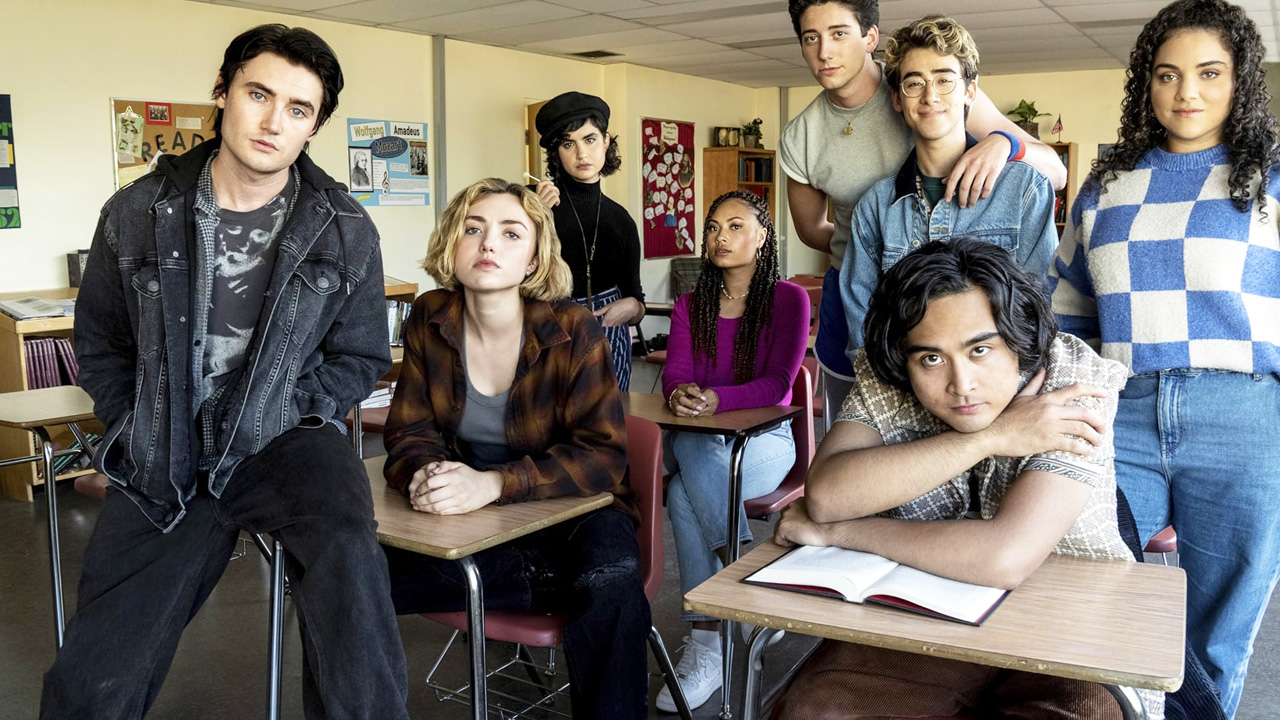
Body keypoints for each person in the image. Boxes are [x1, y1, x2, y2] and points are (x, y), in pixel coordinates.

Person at [45, 24, 409, 720]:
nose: (274, 121)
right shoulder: (137, 213)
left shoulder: (344, 228)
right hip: (165, 449)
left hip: (285, 442)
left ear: (315, 126)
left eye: (299, 109)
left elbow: (361, 356)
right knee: (94, 679)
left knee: (350, 568)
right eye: (259, 94)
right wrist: (133, 419)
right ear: (222, 92)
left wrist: (296, 405)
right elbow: (100, 340)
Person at [770, 238, 1163, 720]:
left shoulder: (1074, 377)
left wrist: (839, 534)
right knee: (818, 711)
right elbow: (829, 494)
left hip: (1068, 624)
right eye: (931, 359)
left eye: (980, 350)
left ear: (1019, 338)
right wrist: (988, 438)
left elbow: (1005, 557)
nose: (961, 384)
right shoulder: (891, 369)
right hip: (925, 610)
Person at [1049, 1, 1280, 714]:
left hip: (1242, 417)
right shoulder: (1107, 183)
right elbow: (1068, 310)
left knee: (1218, 631)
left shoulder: (1271, 179)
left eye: (1210, 74)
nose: (1187, 93)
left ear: (1241, 80)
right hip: (1121, 410)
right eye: (1168, 74)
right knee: (1091, 596)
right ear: (1145, 85)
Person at [380, 178, 649, 720]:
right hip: (473, 521)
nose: (488, 245)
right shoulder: (428, 317)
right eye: (473, 229)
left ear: (533, 258)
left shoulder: (573, 327)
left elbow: (603, 456)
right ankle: (536, 576)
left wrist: (495, 484)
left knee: (610, 585)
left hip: (577, 511)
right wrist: (428, 477)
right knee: (350, 576)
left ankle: (539, 576)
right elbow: (409, 433)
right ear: (451, 244)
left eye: (510, 232)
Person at [781, 0, 1067, 426]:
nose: (825, 51)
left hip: (994, 381)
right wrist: (872, 244)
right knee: (847, 454)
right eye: (811, 38)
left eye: (839, 32)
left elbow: (1054, 174)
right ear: (900, 98)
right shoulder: (812, 144)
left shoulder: (1016, 182)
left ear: (869, 38)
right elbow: (811, 232)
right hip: (873, 306)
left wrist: (1006, 141)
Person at [655, 191, 809, 712]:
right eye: (714, 228)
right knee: (694, 456)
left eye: (735, 226)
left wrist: (719, 398)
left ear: (762, 236)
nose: (721, 237)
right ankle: (744, 581)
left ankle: (708, 642)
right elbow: (675, 373)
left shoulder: (788, 299)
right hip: (703, 439)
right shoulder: (688, 304)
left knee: (681, 492)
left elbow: (779, 385)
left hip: (766, 444)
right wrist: (678, 394)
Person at [840, 15, 1058, 364]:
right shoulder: (876, 207)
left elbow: (1042, 313)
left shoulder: (1023, 190)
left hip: (1002, 395)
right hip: (901, 395)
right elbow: (863, 330)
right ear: (897, 99)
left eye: (944, 80)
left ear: (969, 91)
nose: (930, 96)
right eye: (914, 83)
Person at [532, 91, 645, 390]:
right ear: (556, 152)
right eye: (569, 143)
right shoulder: (531, 206)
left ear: (606, 142)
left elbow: (637, 299)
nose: (582, 154)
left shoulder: (621, 220)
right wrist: (540, 217)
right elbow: (521, 275)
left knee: (608, 424)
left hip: (609, 330)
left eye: (590, 139)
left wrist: (632, 307)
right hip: (548, 326)